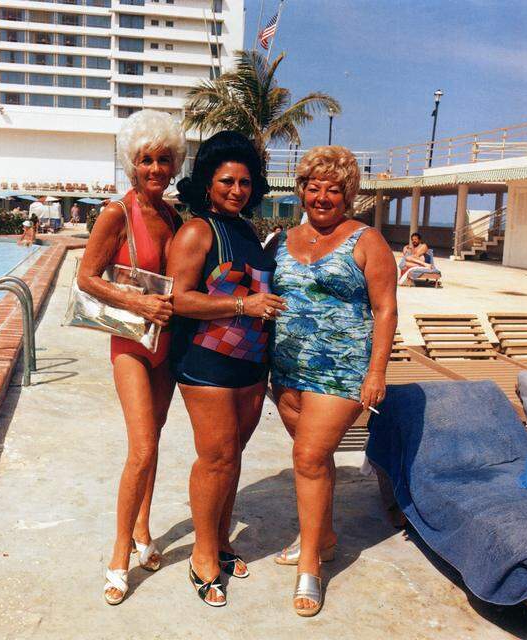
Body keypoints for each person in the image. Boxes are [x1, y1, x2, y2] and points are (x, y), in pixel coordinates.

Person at [268, 145, 398, 616]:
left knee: (308, 455)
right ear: (301, 190)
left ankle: (310, 566)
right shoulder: (283, 238)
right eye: (314, 187)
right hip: (285, 367)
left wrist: (376, 370)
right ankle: (322, 537)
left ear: (349, 195)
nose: (322, 197)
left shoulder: (366, 240)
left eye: (334, 190)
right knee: (314, 462)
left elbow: (385, 309)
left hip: (340, 368)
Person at [167, 131, 287, 607]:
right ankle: (201, 555)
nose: (236, 190)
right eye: (226, 181)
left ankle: (220, 538)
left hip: (251, 366)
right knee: (215, 457)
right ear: (208, 183)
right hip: (206, 364)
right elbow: (178, 298)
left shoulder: (245, 229)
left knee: (232, 457)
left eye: (243, 181)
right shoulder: (198, 230)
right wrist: (245, 303)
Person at [75, 109, 187, 606]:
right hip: (129, 343)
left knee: (155, 439)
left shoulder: (174, 215)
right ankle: (120, 554)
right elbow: (86, 276)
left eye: (164, 160)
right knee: (141, 446)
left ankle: (144, 528)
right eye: (146, 160)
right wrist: (137, 301)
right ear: (131, 163)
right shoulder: (116, 214)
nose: (156, 169)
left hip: (166, 345)